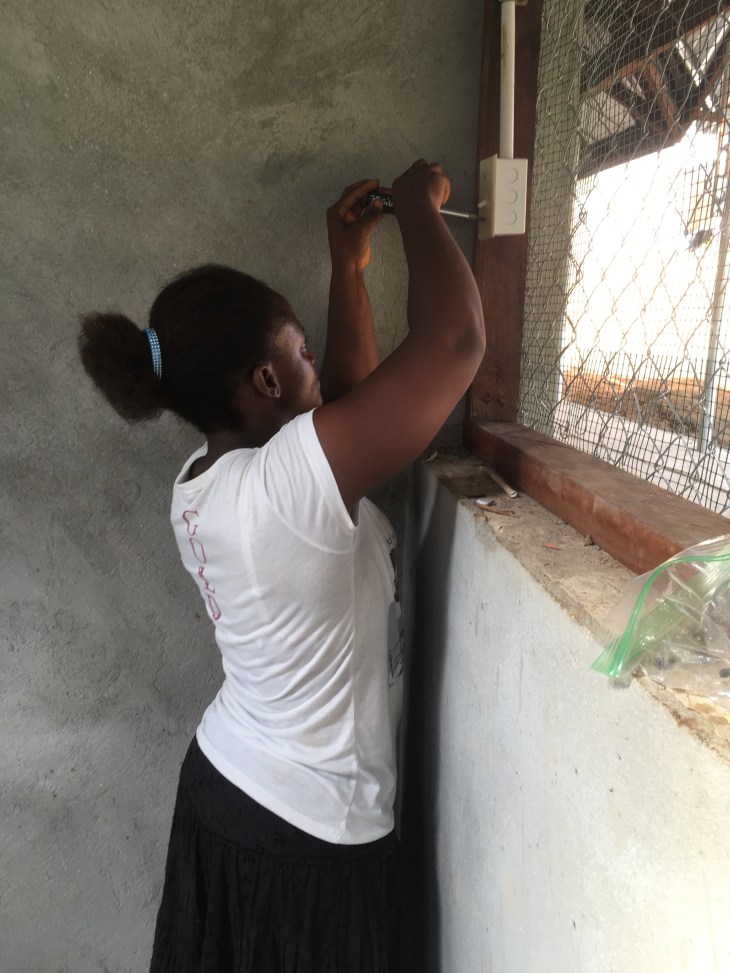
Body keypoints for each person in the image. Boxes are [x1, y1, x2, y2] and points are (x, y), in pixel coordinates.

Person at [78, 159, 485, 972]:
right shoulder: (283, 486)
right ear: (264, 379)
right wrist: (417, 206)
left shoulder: (202, 481)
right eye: (302, 352)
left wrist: (348, 266)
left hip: (232, 793)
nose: (317, 366)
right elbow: (456, 342)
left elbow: (344, 404)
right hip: (309, 835)